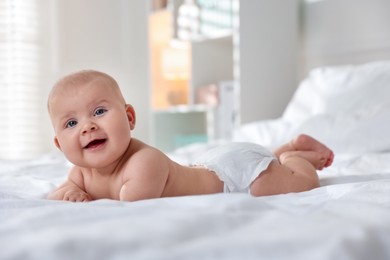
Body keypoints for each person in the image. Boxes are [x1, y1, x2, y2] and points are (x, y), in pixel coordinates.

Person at [47, 70, 334, 202]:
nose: (87, 127)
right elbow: (57, 195)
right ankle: (278, 150)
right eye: (71, 122)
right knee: (262, 160)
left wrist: (81, 194)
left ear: (130, 118)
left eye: (98, 112)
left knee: (296, 185)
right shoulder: (80, 173)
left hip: (236, 177)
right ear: (60, 145)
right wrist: (70, 193)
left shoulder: (144, 162)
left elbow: (127, 207)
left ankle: (295, 156)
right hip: (212, 162)